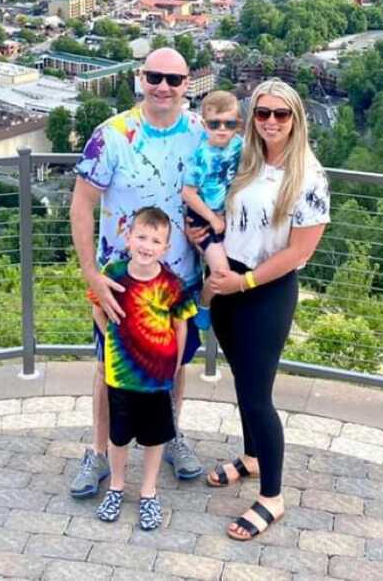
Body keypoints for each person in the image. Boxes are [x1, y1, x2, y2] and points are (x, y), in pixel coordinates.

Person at [196, 78, 329, 542]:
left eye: (281, 114)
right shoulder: (246, 159)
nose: (271, 121)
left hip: (263, 289)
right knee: (243, 381)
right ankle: (252, 458)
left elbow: (298, 253)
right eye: (263, 113)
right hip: (229, 279)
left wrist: (244, 282)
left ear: (296, 118)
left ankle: (273, 496)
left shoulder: (308, 176)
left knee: (258, 395)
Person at [70, 47, 204, 498]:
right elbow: (81, 205)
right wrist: (91, 272)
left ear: (188, 84)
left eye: (173, 79)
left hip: (178, 280)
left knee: (176, 363)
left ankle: (170, 435)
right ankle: (99, 452)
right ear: (139, 78)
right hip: (120, 284)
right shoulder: (111, 135)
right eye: (154, 76)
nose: (163, 87)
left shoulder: (202, 135)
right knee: (110, 367)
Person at [88, 206, 197, 530]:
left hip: (157, 378)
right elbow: (97, 308)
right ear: (128, 237)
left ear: (166, 247)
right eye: (141, 237)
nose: (147, 245)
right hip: (121, 375)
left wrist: (174, 365)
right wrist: (115, 341)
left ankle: (149, 492)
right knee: (118, 437)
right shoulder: (114, 273)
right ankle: (117, 487)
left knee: (154, 437)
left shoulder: (172, 284)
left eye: (155, 240)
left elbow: (181, 326)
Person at [181, 89, 243, 330]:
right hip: (203, 218)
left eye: (229, 123)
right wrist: (212, 218)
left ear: (237, 124)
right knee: (220, 271)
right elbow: (188, 193)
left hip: (227, 216)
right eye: (214, 124)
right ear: (204, 124)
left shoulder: (239, 145)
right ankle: (204, 304)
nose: (222, 129)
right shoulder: (201, 156)